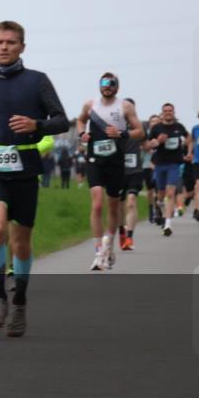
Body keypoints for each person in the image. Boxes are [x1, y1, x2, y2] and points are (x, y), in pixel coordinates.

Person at [0, 21, 69, 337]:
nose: (5, 47)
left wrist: (36, 125)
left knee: (20, 241)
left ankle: (20, 301)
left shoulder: (37, 81)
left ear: (22, 46)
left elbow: (62, 121)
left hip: (25, 167)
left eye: (11, 42)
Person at [76, 74, 144, 270]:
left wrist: (122, 133)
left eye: (111, 84)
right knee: (97, 203)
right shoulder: (90, 105)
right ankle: (99, 250)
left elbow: (140, 132)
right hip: (94, 159)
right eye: (104, 84)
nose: (107, 87)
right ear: (99, 86)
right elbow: (80, 121)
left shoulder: (125, 106)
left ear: (117, 87)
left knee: (113, 206)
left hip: (115, 161)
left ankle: (109, 244)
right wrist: (82, 134)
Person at [148, 104, 189, 237]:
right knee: (161, 194)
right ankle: (158, 206)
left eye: (170, 111)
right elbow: (149, 146)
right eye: (165, 111)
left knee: (170, 193)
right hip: (160, 164)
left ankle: (168, 224)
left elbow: (189, 138)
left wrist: (188, 150)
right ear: (162, 113)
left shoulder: (179, 127)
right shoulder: (156, 128)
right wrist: (158, 141)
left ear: (173, 112)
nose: (168, 113)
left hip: (174, 164)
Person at [120, 98, 146, 251]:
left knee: (131, 201)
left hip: (135, 170)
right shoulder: (113, 125)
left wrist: (156, 143)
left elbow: (146, 145)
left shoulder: (140, 127)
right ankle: (121, 231)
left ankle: (129, 236)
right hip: (118, 171)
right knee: (118, 206)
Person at [143, 114, 161, 223]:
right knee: (150, 190)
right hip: (147, 165)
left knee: (158, 189)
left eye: (156, 121)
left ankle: (157, 209)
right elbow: (140, 146)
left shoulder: (162, 135)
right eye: (152, 121)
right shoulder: (146, 135)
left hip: (159, 165)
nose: (154, 123)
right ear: (149, 123)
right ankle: (151, 209)